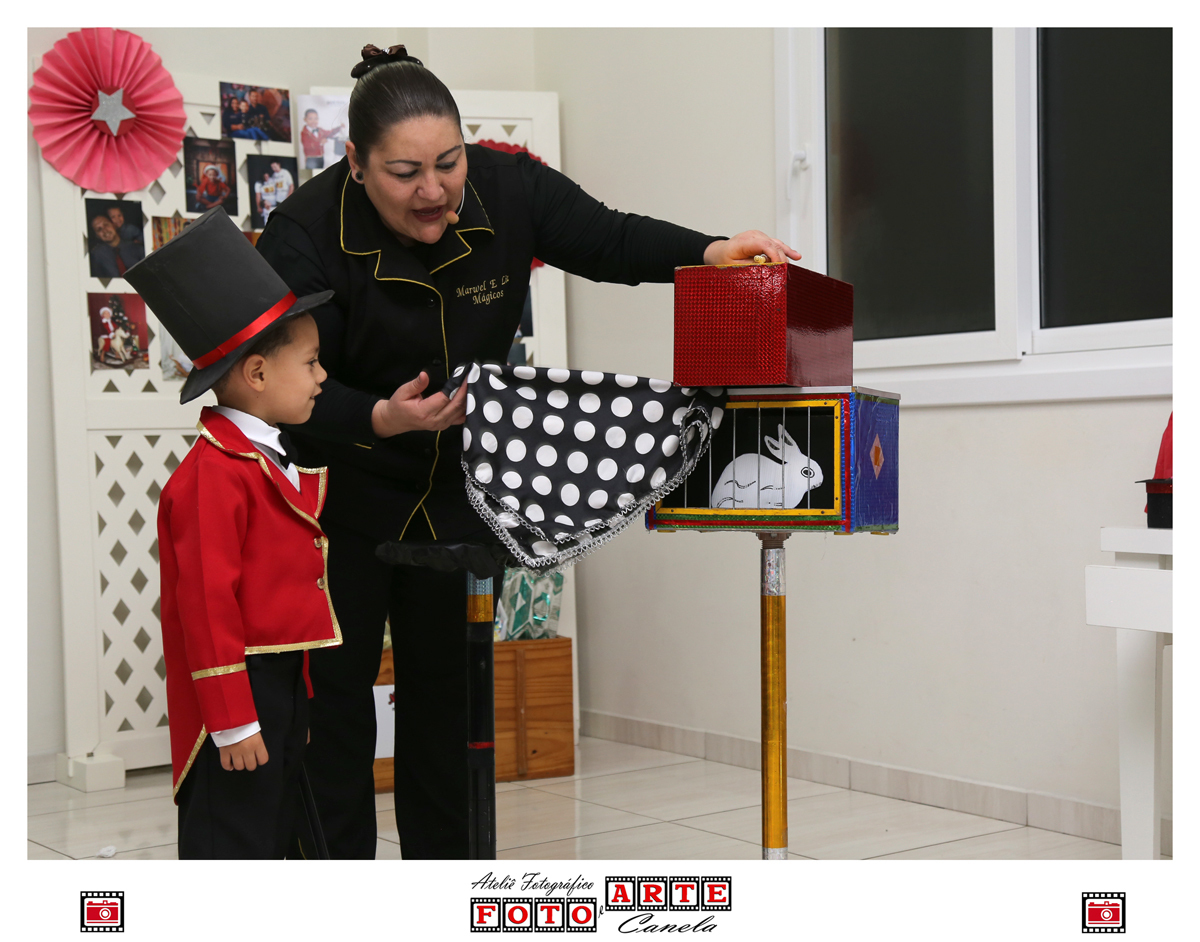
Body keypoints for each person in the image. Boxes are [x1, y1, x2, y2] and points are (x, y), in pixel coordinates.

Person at [256, 42, 800, 860]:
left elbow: (610, 240)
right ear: (357, 166)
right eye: (405, 172)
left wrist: (710, 250)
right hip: (337, 496)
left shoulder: (509, 188)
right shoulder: (303, 233)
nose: (434, 189)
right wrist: (381, 416)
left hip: (460, 490)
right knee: (333, 711)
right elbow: (280, 392)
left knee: (448, 709)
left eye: (448, 162)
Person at [124, 207, 339, 858]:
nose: (322, 376)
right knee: (234, 840)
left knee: (274, 832)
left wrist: (297, 702)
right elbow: (205, 605)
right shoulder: (212, 475)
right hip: (239, 688)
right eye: (311, 362)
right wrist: (233, 720)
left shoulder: (262, 456)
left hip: (279, 684)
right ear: (258, 374)